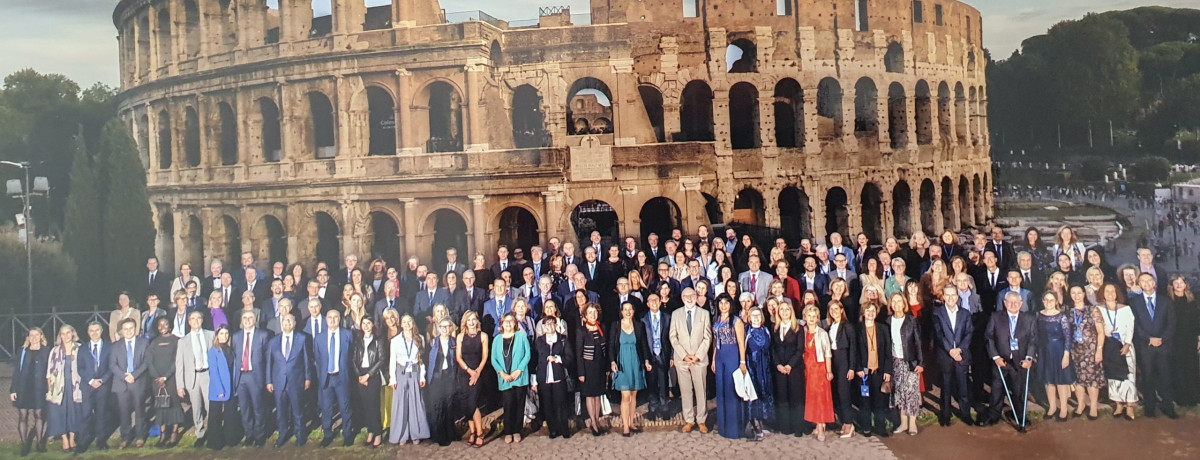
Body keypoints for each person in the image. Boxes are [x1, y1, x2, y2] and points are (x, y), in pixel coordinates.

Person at [982, 292, 1037, 432]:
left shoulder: (1029, 319)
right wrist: (995, 357)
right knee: (996, 389)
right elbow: (989, 338)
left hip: (1020, 362)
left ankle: (1019, 416)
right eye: (1010, 302)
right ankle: (993, 415)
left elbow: (1033, 340)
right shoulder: (996, 317)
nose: (1013, 305)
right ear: (1005, 303)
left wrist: (1029, 358)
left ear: (1021, 304)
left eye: (1016, 302)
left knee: (1019, 391)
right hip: (1001, 361)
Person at [1128, 273, 1177, 418]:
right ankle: (1149, 407)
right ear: (1139, 284)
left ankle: (1168, 406)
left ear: (1154, 283)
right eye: (1143, 281)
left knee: (1165, 376)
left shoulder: (1165, 301)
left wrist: (1162, 338)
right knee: (1147, 376)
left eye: (1149, 280)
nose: (1147, 283)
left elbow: (1171, 323)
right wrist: (1148, 339)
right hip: (1145, 346)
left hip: (1163, 345)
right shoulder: (1134, 302)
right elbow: (1134, 325)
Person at [670, 288, 712, 434]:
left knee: (701, 390)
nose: (689, 298)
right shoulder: (676, 314)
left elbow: (708, 337)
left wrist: (698, 355)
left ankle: (701, 420)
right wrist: (683, 355)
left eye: (692, 295)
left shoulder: (704, 314)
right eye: (686, 296)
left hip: (698, 360)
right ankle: (689, 420)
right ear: (682, 298)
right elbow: (673, 337)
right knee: (685, 390)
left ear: (696, 296)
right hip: (682, 360)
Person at [266, 313, 311, 448]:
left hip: (296, 381)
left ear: (294, 323)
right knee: (280, 411)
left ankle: (300, 436)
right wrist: (269, 381)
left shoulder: (302, 339)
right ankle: (282, 435)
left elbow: (306, 361)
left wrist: (308, 378)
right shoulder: (273, 341)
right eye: (285, 322)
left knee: (297, 411)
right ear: (281, 324)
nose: (287, 324)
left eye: (290, 321)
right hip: (279, 382)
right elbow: (269, 363)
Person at [932, 286, 974, 426]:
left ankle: (965, 414)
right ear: (943, 297)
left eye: (953, 295)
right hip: (945, 355)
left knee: (963, 387)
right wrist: (950, 350)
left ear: (957, 296)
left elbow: (969, 333)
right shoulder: (937, 313)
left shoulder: (965, 313)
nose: (950, 298)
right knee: (946, 386)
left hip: (961, 355)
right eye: (947, 295)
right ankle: (945, 415)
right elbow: (939, 334)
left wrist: (960, 350)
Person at [609, 302, 649, 437]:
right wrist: (612, 361)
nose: (627, 312)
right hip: (622, 363)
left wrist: (646, 360)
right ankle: (625, 426)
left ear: (633, 311)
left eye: (630, 309)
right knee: (625, 396)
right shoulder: (615, 325)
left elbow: (643, 344)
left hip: (635, 362)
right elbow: (611, 346)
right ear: (621, 311)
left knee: (633, 395)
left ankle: (631, 422)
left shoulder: (638, 325)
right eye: (625, 309)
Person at [388, 314, 429, 445]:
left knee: (416, 402)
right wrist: (392, 379)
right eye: (404, 322)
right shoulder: (395, 341)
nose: (406, 324)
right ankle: (402, 434)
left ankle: (416, 433)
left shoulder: (420, 338)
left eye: (409, 321)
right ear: (401, 324)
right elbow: (392, 361)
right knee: (401, 404)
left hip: (415, 372)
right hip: (401, 373)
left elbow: (422, 360)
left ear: (413, 323)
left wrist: (422, 376)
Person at [1099, 283, 1138, 420]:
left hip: (1124, 345)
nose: (1110, 293)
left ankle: (1130, 407)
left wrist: (1127, 343)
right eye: (1107, 291)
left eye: (1113, 291)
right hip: (1109, 347)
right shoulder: (1099, 309)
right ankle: (1118, 404)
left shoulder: (1126, 309)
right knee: (1113, 377)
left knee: (1128, 376)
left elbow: (1130, 326)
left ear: (1117, 293)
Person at [886, 293, 924, 435]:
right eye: (893, 301)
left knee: (911, 393)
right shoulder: (888, 321)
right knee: (900, 393)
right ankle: (903, 423)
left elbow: (918, 342)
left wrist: (920, 362)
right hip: (895, 362)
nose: (896, 304)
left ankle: (912, 424)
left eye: (899, 301)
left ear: (904, 304)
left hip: (910, 361)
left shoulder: (911, 320)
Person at [175, 311, 213, 447]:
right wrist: (180, 385)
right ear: (189, 322)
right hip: (193, 376)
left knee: (211, 406)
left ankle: (213, 431)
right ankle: (200, 433)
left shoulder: (211, 335)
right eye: (192, 318)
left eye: (198, 318)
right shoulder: (183, 341)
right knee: (196, 407)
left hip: (208, 374)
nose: (196, 321)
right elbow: (179, 364)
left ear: (202, 320)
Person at [231, 311, 270, 447]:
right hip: (241, 377)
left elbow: (267, 359)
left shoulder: (263, 335)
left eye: (250, 318)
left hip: (256, 376)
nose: (247, 320)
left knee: (258, 408)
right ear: (241, 320)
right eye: (245, 318)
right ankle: (249, 435)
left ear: (255, 319)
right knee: (245, 408)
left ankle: (260, 435)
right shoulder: (235, 337)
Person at [1036, 291, 1076, 421]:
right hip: (1044, 351)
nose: (1048, 303)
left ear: (1056, 302)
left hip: (1058, 350)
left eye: (1051, 300)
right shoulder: (1038, 315)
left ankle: (1063, 409)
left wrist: (1066, 355)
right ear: (1043, 301)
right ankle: (1052, 407)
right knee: (1048, 380)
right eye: (1046, 300)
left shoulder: (1061, 317)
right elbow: (1036, 334)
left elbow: (1068, 338)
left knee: (1061, 380)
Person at [711, 294, 747, 439]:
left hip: (732, 354)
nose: (723, 305)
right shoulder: (716, 319)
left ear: (730, 305)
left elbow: (741, 342)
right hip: (720, 356)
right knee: (721, 390)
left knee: (732, 390)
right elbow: (715, 341)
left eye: (726, 303)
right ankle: (723, 427)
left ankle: (734, 429)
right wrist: (713, 359)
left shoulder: (736, 321)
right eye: (721, 303)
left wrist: (742, 362)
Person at [110, 318, 149, 449]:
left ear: (135, 329)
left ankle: (140, 436)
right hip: (121, 382)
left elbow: (146, 362)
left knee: (139, 410)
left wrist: (134, 375)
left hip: (138, 381)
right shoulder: (116, 345)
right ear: (121, 331)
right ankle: (125, 438)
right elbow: (112, 364)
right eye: (125, 329)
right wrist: (124, 376)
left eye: (131, 328)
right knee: (124, 412)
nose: (128, 331)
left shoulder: (144, 343)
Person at [854, 303, 892, 437]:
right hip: (864, 372)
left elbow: (888, 351)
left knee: (880, 401)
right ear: (863, 313)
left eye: (873, 310)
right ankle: (866, 427)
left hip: (879, 370)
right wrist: (858, 368)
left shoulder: (883, 328)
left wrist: (888, 371)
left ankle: (880, 427)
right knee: (865, 400)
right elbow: (854, 351)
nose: (870, 313)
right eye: (867, 311)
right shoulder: (857, 329)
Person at [492, 313, 531, 443]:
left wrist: (518, 370)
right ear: (502, 324)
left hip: (519, 377)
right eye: (505, 321)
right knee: (508, 405)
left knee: (520, 404)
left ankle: (516, 431)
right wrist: (502, 373)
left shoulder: (521, 336)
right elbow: (493, 359)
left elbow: (527, 354)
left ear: (515, 323)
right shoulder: (497, 339)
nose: (508, 324)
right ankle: (508, 431)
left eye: (511, 321)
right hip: (504, 378)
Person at [75, 322, 113, 453]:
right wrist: (90, 380)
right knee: (85, 414)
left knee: (101, 414)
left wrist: (102, 380)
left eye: (97, 330)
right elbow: (80, 368)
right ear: (88, 332)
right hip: (88, 386)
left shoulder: (109, 347)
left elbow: (111, 366)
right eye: (92, 330)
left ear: (101, 331)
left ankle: (101, 441)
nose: (94, 333)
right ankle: (83, 441)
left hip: (103, 386)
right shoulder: (83, 348)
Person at [148, 316, 185, 447]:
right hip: (157, 381)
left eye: (165, 324)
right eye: (160, 325)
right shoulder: (153, 342)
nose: (162, 327)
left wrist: (165, 377)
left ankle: (174, 433)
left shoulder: (177, 341)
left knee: (174, 405)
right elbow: (149, 361)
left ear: (170, 325)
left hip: (172, 379)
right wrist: (157, 377)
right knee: (161, 406)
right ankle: (163, 434)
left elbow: (177, 361)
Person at [48, 325, 86, 453]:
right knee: (60, 413)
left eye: (68, 333)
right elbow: (49, 373)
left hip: (76, 387)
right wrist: (50, 390)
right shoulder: (55, 351)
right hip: (59, 389)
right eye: (63, 333)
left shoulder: (80, 348)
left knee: (74, 412)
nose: (66, 336)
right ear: (60, 336)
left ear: (73, 333)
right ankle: (64, 439)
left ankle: (72, 438)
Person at [771, 302, 805, 437]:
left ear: (791, 312)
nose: (784, 312)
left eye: (787, 309)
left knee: (796, 398)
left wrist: (790, 365)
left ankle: (797, 427)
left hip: (794, 368)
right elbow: (772, 348)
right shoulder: (774, 328)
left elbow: (800, 349)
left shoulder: (799, 328)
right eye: (782, 310)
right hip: (779, 369)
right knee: (782, 398)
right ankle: (785, 426)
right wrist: (778, 364)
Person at [456, 311, 489, 447]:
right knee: (465, 404)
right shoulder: (460, 336)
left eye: (473, 319)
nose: (471, 322)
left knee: (472, 404)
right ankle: (472, 432)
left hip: (478, 372)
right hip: (464, 373)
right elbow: (458, 357)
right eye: (468, 320)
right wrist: (469, 371)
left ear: (477, 321)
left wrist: (477, 372)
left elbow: (485, 356)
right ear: (465, 322)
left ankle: (480, 433)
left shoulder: (483, 336)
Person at [801, 305, 834, 441]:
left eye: (814, 316)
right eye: (809, 316)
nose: (811, 319)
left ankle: (821, 428)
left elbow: (828, 353)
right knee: (811, 397)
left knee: (821, 398)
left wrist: (829, 370)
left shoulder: (822, 333)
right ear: (805, 317)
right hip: (807, 368)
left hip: (819, 368)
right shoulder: (802, 331)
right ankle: (816, 424)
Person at [576, 303, 610, 436]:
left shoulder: (602, 327)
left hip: (599, 365)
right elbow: (579, 352)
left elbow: (605, 350)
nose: (593, 315)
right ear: (585, 315)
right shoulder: (581, 330)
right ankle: (593, 422)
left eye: (594, 312)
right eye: (590, 313)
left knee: (598, 394)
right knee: (590, 395)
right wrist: (581, 372)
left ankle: (597, 418)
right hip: (587, 366)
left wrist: (607, 367)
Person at [825, 301, 857, 437]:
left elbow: (853, 348)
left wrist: (851, 368)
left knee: (844, 394)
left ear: (841, 310)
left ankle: (849, 424)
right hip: (833, 360)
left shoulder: (847, 326)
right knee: (837, 393)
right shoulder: (830, 326)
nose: (834, 311)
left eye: (836, 309)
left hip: (844, 359)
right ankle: (844, 423)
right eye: (831, 309)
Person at [353, 316, 387, 448]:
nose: (366, 326)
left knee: (373, 406)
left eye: (369, 323)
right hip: (360, 376)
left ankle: (378, 433)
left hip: (373, 375)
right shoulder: (358, 341)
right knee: (365, 406)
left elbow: (381, 360)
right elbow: (353, 360)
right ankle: (370, 432)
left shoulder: (379, 340)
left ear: (373, 325)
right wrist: (360, 376)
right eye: (364, 323)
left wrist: (368, 375)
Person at [742, 306, 774, 441]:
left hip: (764, 366)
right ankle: (754, 423)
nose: (756, 318)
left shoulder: (766, 330)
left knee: (765, 393)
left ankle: (763, 421)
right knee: (753, 394)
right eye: (753, 315)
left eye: (758, 315)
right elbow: (742, 349)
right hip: (752, 366)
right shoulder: (746, 331)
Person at [1167, 276, 1199, 407]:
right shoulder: (1168, 302)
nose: (1179, 285)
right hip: (1174, 340)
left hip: (1190, 339)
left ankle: (1194, 397)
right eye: (1176, 283)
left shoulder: (1193, 300)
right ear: (1172, 285)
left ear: (1186, 285)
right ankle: (1181, 398)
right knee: (1178, 368)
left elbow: (1197, 320)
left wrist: (1199, 338)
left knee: (1192, 367)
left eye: (1182, 282)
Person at [425, 318, 458, 446]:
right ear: (438, 327)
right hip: (436, 378)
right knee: (437, 406)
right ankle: (439, 435)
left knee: (449, 405)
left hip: (449, 377)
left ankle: (450, 433)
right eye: (442, 327)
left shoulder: (453, 342)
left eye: (447, 326)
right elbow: (427, 361)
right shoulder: (433, 343)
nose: (444, 329)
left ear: (450, 328)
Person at [641, 293, 673, 421]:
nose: (654, 302)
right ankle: (653, 407)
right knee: (652, 383)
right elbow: (642, 341)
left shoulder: (667, 318)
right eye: (651, 300)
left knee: (664, 382)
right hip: (650, 355)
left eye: (656, 300)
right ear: (647, 304)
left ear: (660, 302)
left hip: (663, 354)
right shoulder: (643, 319)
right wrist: (645, 359)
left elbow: (671, 339)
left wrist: (672, 356)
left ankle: (664, 407)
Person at [205, 326, 236, 451]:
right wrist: (219, 390)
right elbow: (213, 372)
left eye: (226, 333)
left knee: (230, 415)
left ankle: (230, 439)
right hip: (218, 389)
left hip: (230, 387)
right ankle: (214, 442)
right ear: (217, 336)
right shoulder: (213, 351)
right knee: (215, 416)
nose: (224, 336)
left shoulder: (230, 350)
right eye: (222, 333)